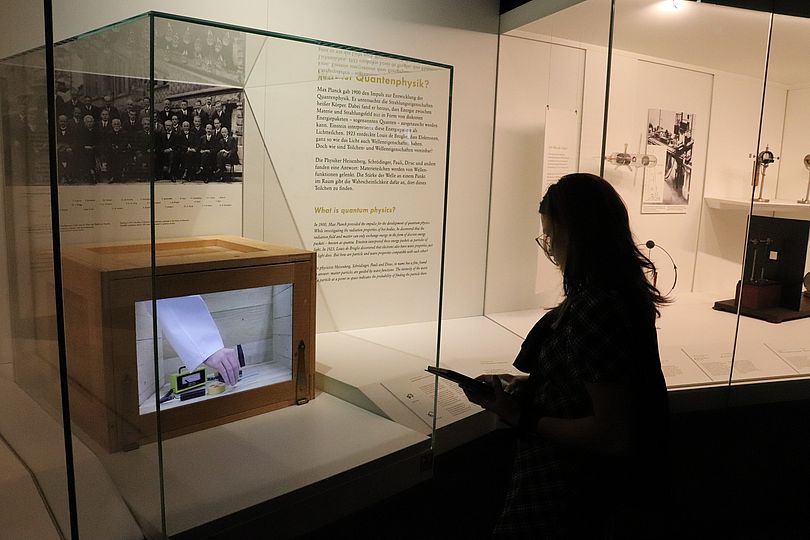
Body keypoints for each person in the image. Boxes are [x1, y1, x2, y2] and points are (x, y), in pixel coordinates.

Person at [463, 173, 670, 539]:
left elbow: (611, 432)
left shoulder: (598, 307)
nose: (550, 247)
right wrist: (527, 385)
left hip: (569, 489)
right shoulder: (613, 293)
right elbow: (592, 383)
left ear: (576, 235)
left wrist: (519, 416)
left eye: (550, 235)